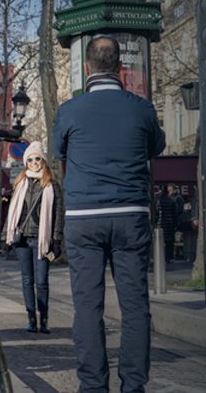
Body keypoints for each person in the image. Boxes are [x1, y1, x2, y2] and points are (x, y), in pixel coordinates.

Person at [53, 35, 166, 393]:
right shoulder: (141, 107)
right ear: (121, 67)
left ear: (87, 68)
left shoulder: (70, 110)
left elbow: (59, 149)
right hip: (131, 214)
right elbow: (156, 146)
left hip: (84, 216)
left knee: (87, 308)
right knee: (135, 307)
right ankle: (133, 386)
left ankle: (92, 388)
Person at [5, 142, 64, 334]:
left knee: (42, 281)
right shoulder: (20, 184)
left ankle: (44, 319)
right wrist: (6, 237)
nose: (34, 162)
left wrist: (56, 241)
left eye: (37, 158)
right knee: (26, 280)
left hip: (42, 239)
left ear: (43, 160)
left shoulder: (52, 186)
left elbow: (57, 216)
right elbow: (12, 212)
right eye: (29, 159)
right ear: (25, 162)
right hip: (22, 240)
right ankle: (31, 318)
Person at [157, 186, 178, 262]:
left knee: (159, 240)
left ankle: (160, 256)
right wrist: (175, 224)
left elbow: (156, 213)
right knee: (169, 241)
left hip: (160, 222)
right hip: (170, 223)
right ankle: (169, 257)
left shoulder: (157, 200)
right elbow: (174, 214)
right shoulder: (171, 200)